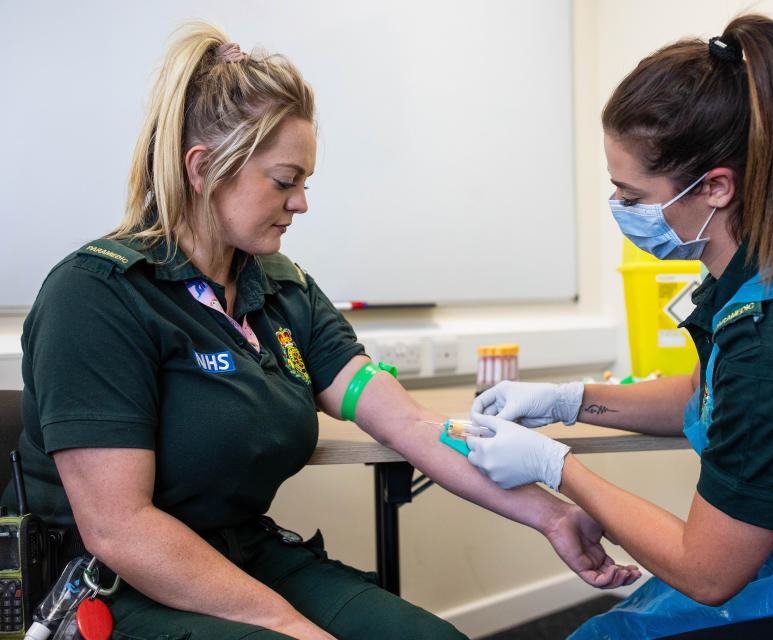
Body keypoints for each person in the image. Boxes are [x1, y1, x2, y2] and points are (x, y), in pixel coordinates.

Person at [8, 22, 640, 640]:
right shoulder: (96, 297)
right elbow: (120, 530)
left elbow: (412, 427)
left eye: (305, 181)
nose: (302, 202)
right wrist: (289, 623)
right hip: (119, 584)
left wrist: (550, 516)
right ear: (202, 169)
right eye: (285, 181)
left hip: (244, 554)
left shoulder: (281, 290)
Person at [467, 14, 773, 640]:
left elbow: (707, 573)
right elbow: (709, 395)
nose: (620, 211)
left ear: (716, 187)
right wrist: (568, 400)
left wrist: (557, 468)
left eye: (632, 196)